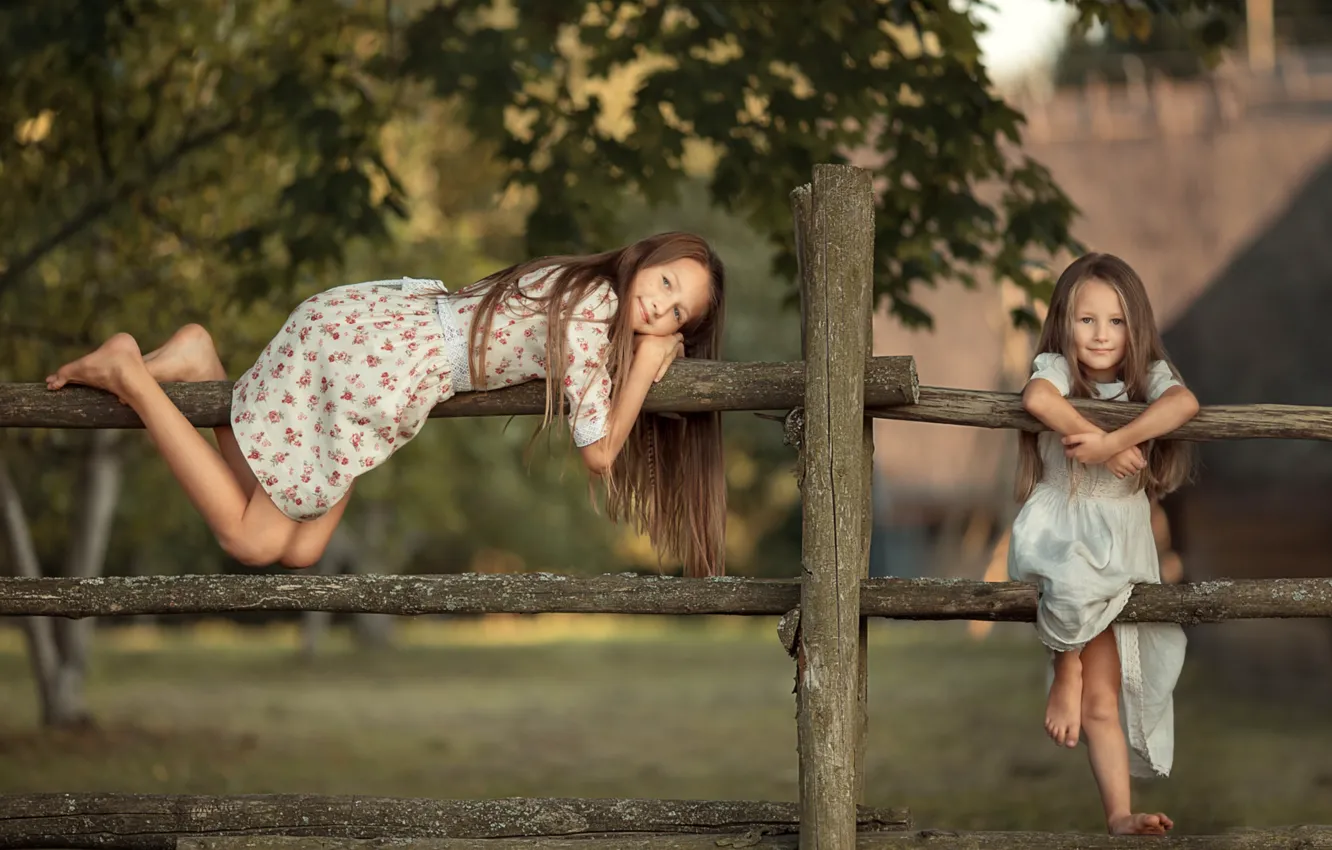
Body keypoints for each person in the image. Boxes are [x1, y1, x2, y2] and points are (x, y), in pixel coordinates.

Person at [45, 231, 727, 577]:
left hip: (381, 343)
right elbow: (601, 453)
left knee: (302, 547)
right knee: (252, 540)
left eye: (675, 315)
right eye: (665, 282)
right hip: (376, 362)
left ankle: (200, 362)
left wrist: (641, 353)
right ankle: (131, 374)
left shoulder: (593, 298)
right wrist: (643, 365)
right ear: (644, 257)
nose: (659, 306)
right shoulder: (590, 311)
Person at [1007, 252, 1200, 836]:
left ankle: (1118, 813)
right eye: (1087, 320)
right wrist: (1100, 441)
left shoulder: (1148, 374)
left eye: (1115, 321)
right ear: (1064, 321)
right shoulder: (1059, 368)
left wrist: (1121, 437)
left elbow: (1184, 404)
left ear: (1134, 326)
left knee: (1106, 698)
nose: (1100, 334)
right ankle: (1064, 669)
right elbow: (1038, 400)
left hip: (1123, 534)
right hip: (1065, 525)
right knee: (1071, 586)